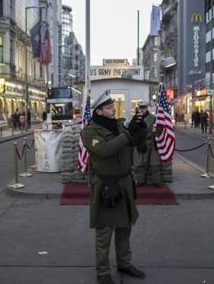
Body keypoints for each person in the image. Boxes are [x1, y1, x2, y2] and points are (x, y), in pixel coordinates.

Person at [82, 91, 147, 284]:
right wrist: (128, 133)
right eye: (109, 107)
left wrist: (140, 129)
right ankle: (102, 272)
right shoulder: (90, 131)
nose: (113, 110)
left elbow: (134, 144)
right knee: (104, 232)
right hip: (105, 185)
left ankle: (124, 263)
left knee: (124, 227)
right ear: (99, 111)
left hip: (124, 182)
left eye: (113, 106)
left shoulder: (119, 125)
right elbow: (105, 149)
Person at [132, 100, 162, 187]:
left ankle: (156, 181)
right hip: (140, 142)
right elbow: (132, 129)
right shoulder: (135, 118)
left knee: (154, 163)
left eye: (144, 108)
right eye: (140, 108)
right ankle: (140, 181)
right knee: (140, 163)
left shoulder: (153, 118)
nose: (142, 110)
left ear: (147, 108)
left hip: (151, 142)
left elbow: (159, 129)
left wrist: (155, 132)